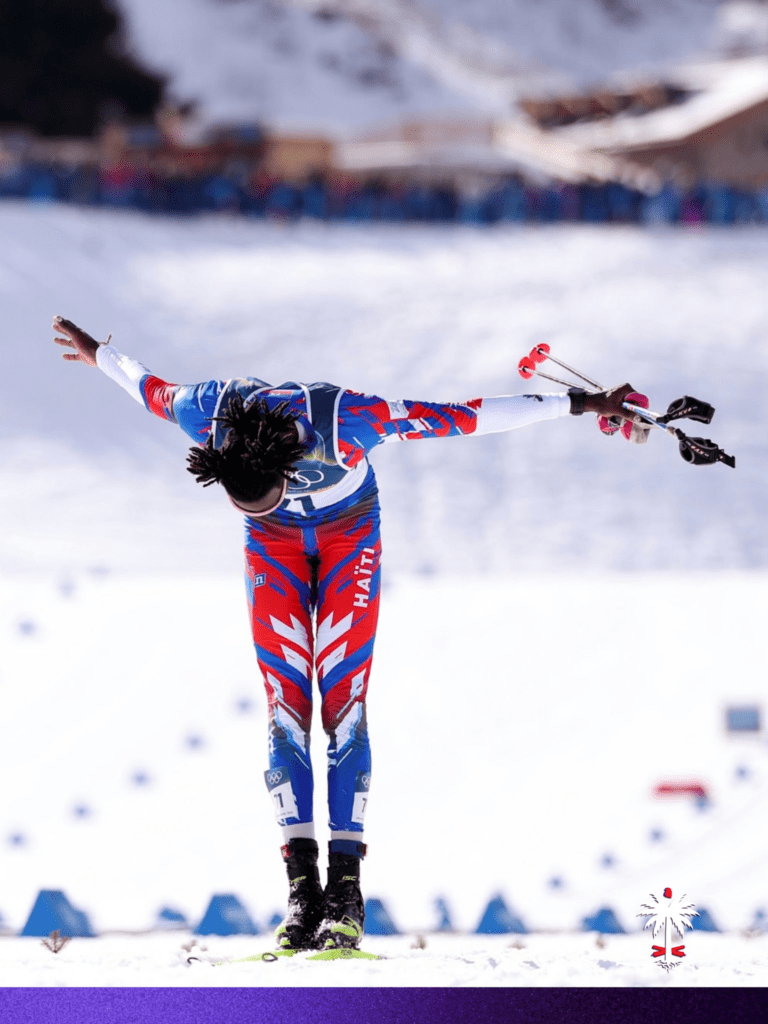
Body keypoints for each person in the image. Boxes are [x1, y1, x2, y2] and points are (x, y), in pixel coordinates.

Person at [52, 315, 640, 952]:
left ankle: (346, 891)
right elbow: (146, 386)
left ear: (285, 466)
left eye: (269, 495)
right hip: (273, 550)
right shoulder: (206, 411)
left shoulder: (345, 418)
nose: (265, 504)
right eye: (245, 503)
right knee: (285, 709)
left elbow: (467, 416)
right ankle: (302, 892)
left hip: (348, 537)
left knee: (344, 706)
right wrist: (97, 353)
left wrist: (582, 403)